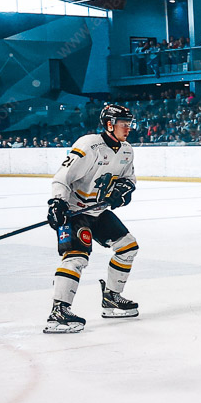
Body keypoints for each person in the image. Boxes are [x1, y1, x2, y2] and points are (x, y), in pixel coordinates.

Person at [44, 103, 140, 334]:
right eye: (123, 124)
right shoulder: (89, 145)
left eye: (129, 124)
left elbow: (129, 180)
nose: (128, 128)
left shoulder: (127, 150)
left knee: (128, 247)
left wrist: (123, 191)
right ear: (109, 124)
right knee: (76, 257)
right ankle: (59, 311)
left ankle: (111, 298)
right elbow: (62, 177)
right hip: (74, 212)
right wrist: (57, 202)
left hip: (98, 211)